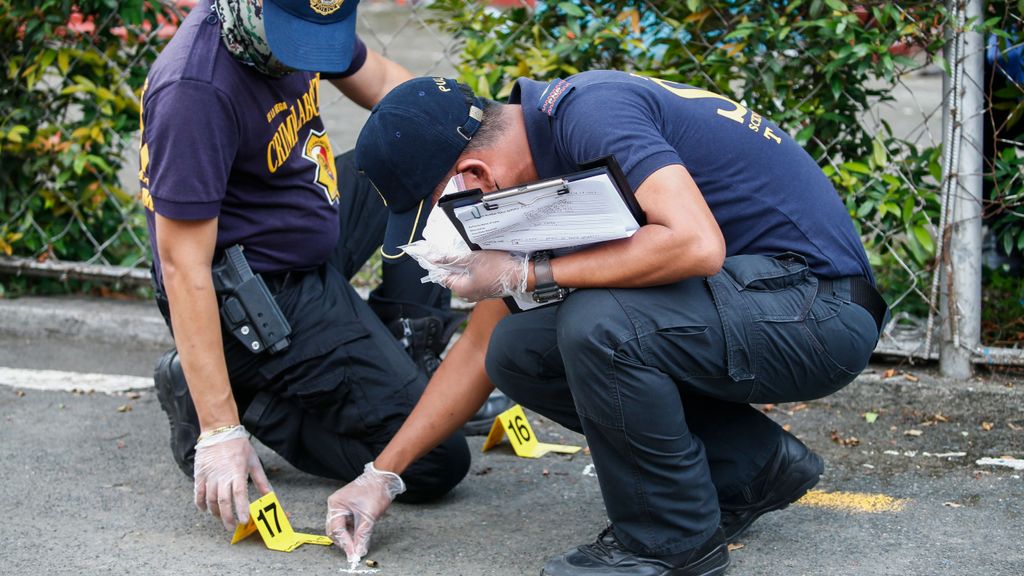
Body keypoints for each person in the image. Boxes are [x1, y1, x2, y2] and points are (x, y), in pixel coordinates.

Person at [328, 72, 889, 575]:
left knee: (600, 324)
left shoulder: (589, 113)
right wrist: (383, 476)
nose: (445, 228)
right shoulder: (533, 158)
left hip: (821, 311)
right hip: (761, 301)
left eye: (437, 209)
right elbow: (480, 347)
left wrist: (528, 271)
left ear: (474, 175)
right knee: (518, 347)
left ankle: (670, 542)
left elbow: (696, 245)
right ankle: (750, 468)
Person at [139, 0, 479, 535]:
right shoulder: (194, 90)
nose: (306, 56)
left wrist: (475, 140)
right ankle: (231, 397)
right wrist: (220, 428)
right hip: (261, 295)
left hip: (307, 221)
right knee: (435, 461)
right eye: (294, 40)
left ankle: (411, 348)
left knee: (424, 151)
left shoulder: (293, 16)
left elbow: (390, 84)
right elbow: (183, 266)